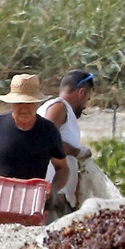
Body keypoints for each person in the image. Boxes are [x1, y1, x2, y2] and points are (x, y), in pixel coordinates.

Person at [0, 74, 69, 195]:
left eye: (30, 103)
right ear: (12, 103)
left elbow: (62, 168)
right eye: (19, 103)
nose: (24, 108)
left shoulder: (48, 131)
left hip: (30, 201)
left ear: (37, 103)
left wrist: (53, 189)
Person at [39, 70, 96, 205]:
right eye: (87, 99)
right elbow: (47, 142)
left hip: (58, 194)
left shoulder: (56, 108)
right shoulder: (59, 107)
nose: (85, 106)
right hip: (53, 194)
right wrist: (78, 152)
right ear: (81, 92)